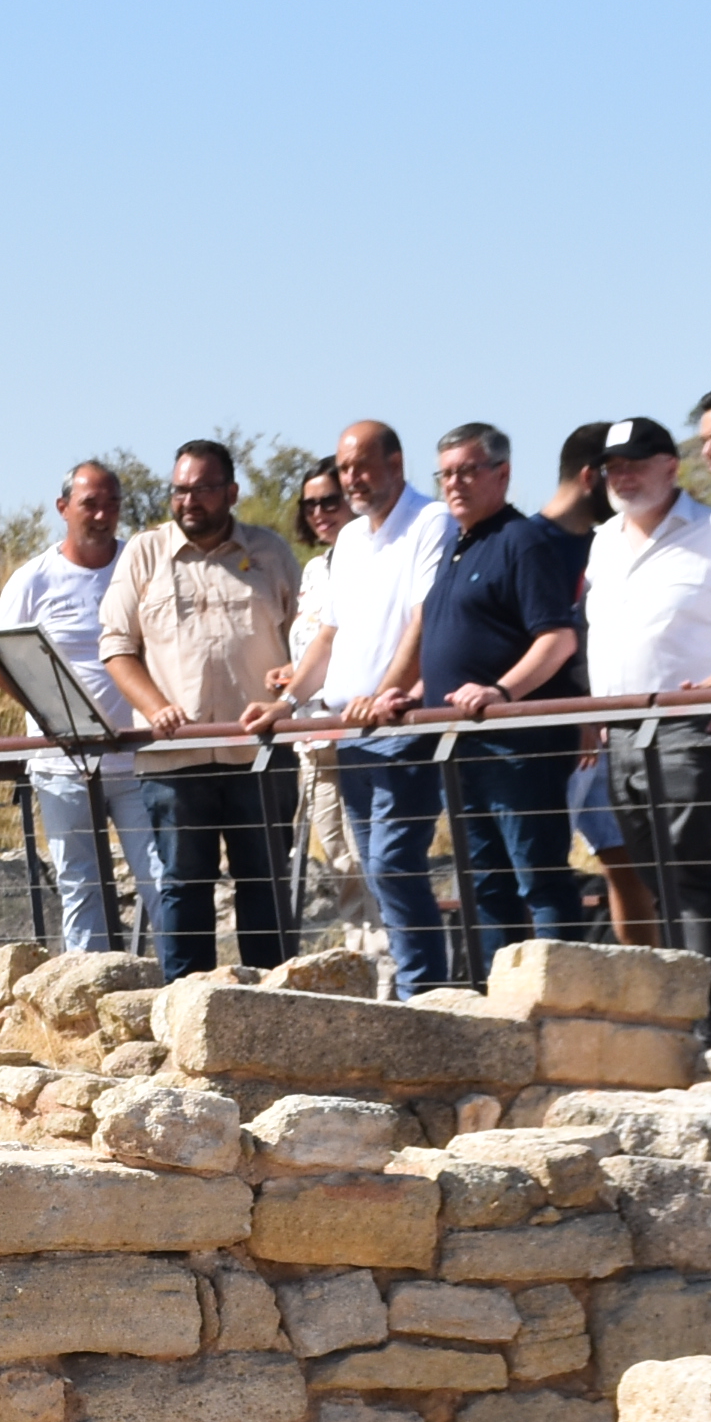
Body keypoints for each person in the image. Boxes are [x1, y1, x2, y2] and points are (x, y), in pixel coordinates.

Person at [96, 438, 306, 974]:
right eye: (180, 490)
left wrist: (287, 698)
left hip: (258, 757)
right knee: (184, 889)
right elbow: (116, 647)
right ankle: (186, 1014)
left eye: (203, 490)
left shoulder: (271, 553)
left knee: (265, 886)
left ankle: (275, 1011)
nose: (189, 501)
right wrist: (157, 706)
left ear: (231, 492)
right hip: (175, 762)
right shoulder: (143, 554)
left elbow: (309, 641)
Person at [270, 419, 460, 995]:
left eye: (361, 465)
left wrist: (387, 694)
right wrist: (285, 702)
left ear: (395, 464)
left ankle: (422, 989)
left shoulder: (431, 521)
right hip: (349, 729)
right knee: (372, 867)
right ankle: (411, 984)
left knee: (393, 861)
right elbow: (329, 634)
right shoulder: (349, 540)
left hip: (399, 724)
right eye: (344, 467)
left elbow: (425, 619)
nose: (352, 478)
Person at [413, 424, 594, 972]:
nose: (455, 484)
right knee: (487, 884)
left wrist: (501, 691)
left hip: (519, 747)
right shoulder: (457, 545)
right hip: (464, 745)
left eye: (468, 471)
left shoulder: (523, 542)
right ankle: (505, 1009)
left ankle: (563, 999)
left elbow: (558, 639)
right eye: (446, 473)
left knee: (538, 877)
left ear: (503, 474)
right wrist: (409, 695)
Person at [575, 418, 711, 1005]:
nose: (623, 476)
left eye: (636, 463)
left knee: (687, 862)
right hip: (618, 730)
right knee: (648, 873)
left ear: (672, 465)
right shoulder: (602, 540)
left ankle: (706, 1012)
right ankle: (670, 1010)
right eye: (614, 466)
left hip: (688, 725)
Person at [0, 461, 159, 953]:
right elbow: (0, 666)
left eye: (112, 504)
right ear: (64, 508)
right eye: (90, 503)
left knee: (160, 877)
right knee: (80, 885)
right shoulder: (32, 580)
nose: (102, 514)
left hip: (137, 760)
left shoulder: (140, 568)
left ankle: (178, 985)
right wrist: (56, 718)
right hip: (63, 764)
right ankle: (88, 997)